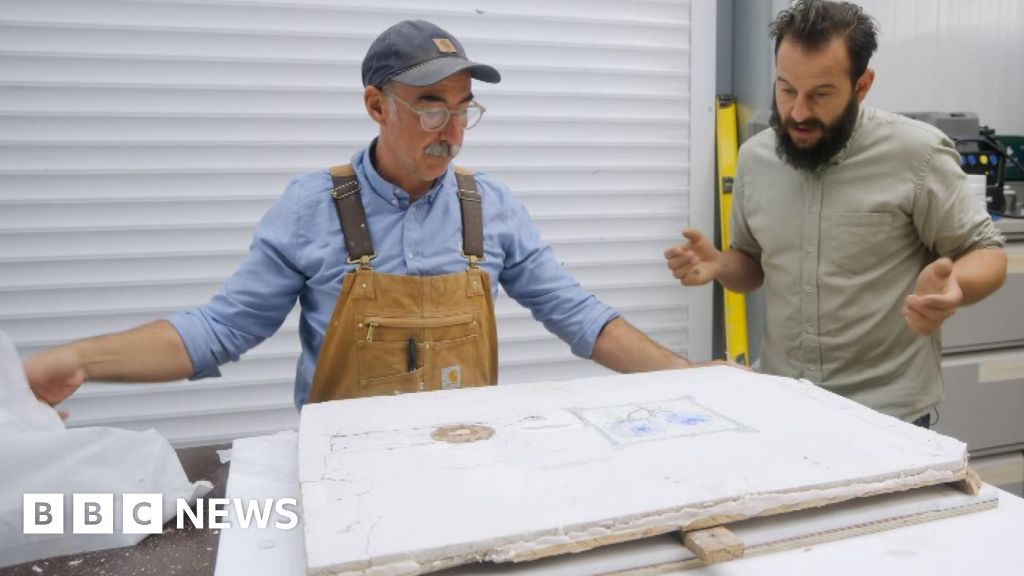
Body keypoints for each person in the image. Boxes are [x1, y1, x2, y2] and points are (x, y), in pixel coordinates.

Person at [26, 19, 709, 411]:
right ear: (376, 106)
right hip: (341, 481)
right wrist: (83, 361)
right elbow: (218, 330)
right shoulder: (310, 208)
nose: (451, 128)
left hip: (465, 460)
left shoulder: (490, 210)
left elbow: (583, 318)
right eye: (431, 105)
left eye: (463, 107)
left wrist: (691, 379)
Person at [664, 0, 1007, 425]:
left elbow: (988, 252)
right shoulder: (755, 159)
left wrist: (954, 287)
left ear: (862, 85)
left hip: (889, 417)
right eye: (786, 89)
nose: (798, 112)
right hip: (785, 404)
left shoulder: (917, 154)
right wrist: (720, 265)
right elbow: (752, 266)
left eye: (821, 94)